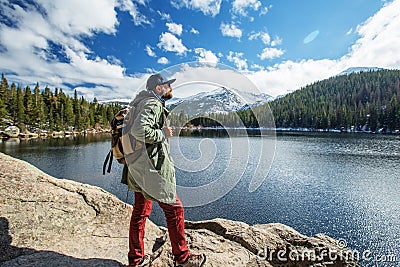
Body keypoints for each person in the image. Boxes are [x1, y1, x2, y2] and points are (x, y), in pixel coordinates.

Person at [125, 74, 206, 267]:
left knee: (140, 212)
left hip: (137, 166)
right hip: (151, 168)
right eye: (167, 84)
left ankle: (135, 260)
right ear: (158, 88)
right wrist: (162, 133)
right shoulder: (152, 103)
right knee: (174, 210)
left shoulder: (140, 102)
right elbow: (139, 131)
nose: (170, 87)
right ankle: (183, 259)